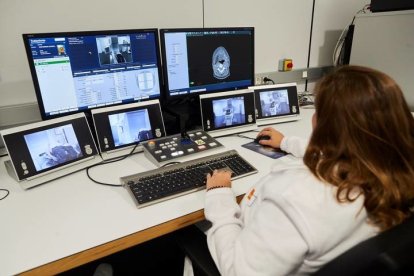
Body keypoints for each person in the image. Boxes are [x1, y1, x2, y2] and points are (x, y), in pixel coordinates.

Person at [203, 65, 414, 275]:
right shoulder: (394, 173)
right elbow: (337, 153)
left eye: (317, 110)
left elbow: (237, 272)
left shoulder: (295, 200)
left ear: (324, 125)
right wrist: (286, 142)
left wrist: (219, 197)